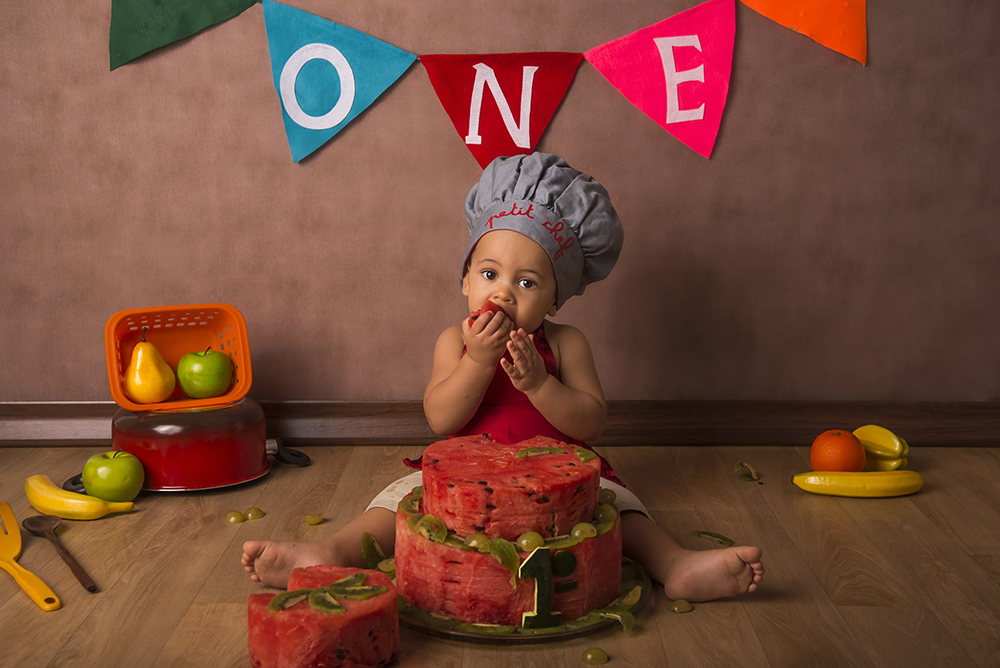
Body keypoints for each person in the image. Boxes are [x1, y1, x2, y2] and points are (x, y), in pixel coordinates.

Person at [242, 153, 764, 603]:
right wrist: (476, 361)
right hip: (462, 479)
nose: (504, 292)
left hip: (562, 480)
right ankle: (328, 553)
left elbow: (591, 423)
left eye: (528, 281)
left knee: (625, 513)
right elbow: (440, 418)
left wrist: (540, 384)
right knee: (393, 502)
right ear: (465, 278)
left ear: (556, 299)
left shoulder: (565, 344)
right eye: (489, 274)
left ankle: (675, 566)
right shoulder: (454, 340)